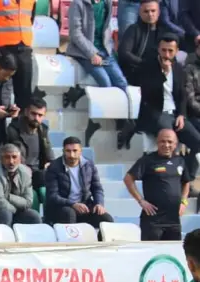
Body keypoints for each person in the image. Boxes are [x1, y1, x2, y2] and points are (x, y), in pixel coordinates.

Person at [136, 34, 200, 179]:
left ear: (176, 51)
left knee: (197, 142)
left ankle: (187, 180)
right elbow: (148, 93)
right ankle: (167, 179)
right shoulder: (148, 66)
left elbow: (182, 95)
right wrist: (164, 73)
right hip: (156, 114)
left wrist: (182, 115)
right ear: (158, 49)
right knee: (170, 140)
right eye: (163, 50)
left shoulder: (178, 68)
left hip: (175, 114)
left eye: (170, 51)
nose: (166, 54)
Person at [66, 0, 128, 146]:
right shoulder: (78, 4)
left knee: (121, 82)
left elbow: (106, 29)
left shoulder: (107, 3)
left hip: (105, 50)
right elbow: (76, 34)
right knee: (104, 81)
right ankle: (96, 121)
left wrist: (108, 50)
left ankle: (122, 121)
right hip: (83, 52)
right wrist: (92, 53)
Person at [124, 128, 190, 241]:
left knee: (173, 251)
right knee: (151, 251)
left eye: (170, 142)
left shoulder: (180, 161)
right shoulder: (147, 160)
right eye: (162, 141)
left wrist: (184, 202)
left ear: (175, 144)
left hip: (173, 221)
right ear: (157, 142)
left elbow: (186, 182)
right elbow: (128, 179)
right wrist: (141, 201)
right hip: (153, 221)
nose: (166, 145)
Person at [44, 137, 113, 228]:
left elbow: (97, 188)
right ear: (63, 151)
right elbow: (53, 196)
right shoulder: (54, 167)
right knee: (69, 213)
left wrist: (99, 203)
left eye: (75, 151)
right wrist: (73, 204)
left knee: (106, 219)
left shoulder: (89, 165)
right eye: (68, 151)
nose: (72, 155)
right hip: (61, 208)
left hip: (85, 206)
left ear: (80, 151)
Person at [0, 0, 35, 110]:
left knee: (24, 95)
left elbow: (30, 19)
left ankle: (20, 120)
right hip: (1, 49)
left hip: (24, 49)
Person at [6, 97, 53, 198]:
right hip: (19, 173)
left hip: (38, 173)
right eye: (33, 114)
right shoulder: (14, 129)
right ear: (26, 112)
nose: (36, 118)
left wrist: (50, 163)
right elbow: (13, 156)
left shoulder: (43, 130)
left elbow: (50, 155)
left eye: (40, 115)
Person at [118, 0, 163, 86]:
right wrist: (144, 63)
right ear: (140, 13)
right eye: (146, 11)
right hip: (136, 73)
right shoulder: (133, 29)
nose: (150, 14)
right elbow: (124, 53)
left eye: (153, 11)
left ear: (159, 12)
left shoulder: (164, 31)